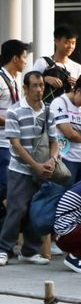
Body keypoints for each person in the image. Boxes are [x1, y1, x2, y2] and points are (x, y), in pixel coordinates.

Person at [0, 71, 57, 267]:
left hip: (43, 169)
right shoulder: (15, 111)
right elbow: (15, 144)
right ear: (25, 88)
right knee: (16, 209)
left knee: (37, 210)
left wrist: (52, 161)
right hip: (20, 170)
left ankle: (30, 251)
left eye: (41, 85)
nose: (40, 89)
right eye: (35, 85)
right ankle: (3, 248)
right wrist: (36, 166)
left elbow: (54, 140)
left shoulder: (48, 110)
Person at [0, 40, 28, 206]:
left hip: (10, 143)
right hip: (2, 143)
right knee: (5, 189)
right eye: (24, 57)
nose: (25, 61)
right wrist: (12, 122)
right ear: (15, 58)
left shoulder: (12, 80)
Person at [34, 25, 81, 104]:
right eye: (66, 42)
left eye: (73, 43)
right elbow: (30, 83)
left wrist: (77, 85)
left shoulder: (78, 68)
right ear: (56, 41)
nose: (70, 46)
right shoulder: (42, 62)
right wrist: (45, 79)